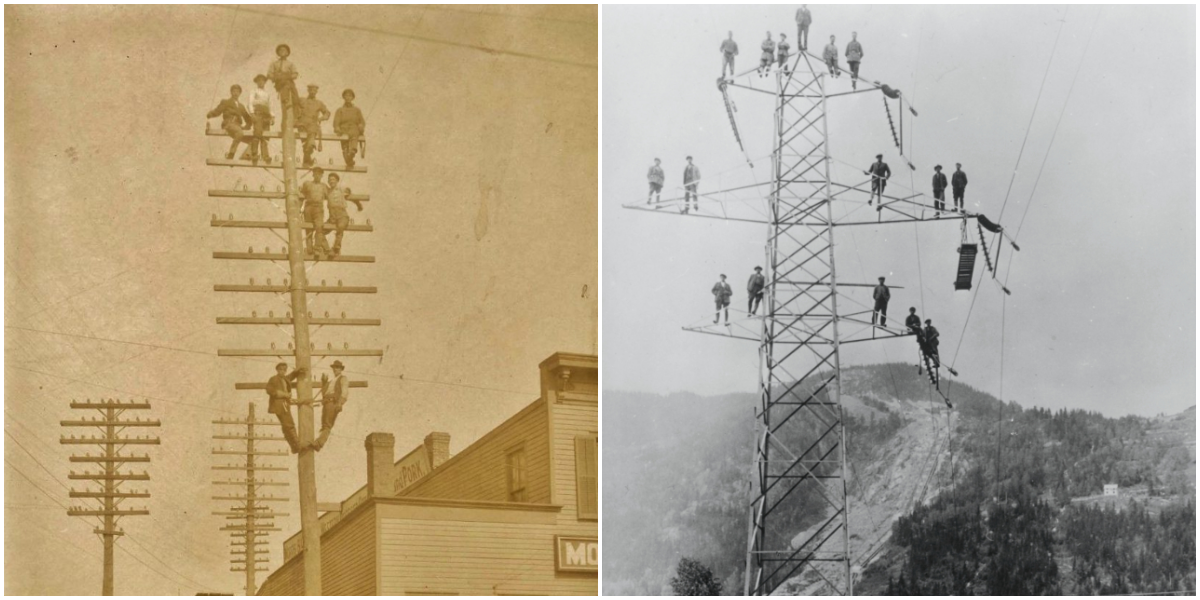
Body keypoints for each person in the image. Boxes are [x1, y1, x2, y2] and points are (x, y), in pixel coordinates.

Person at [265, 362, 304, 453]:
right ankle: (297, 445)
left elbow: (290, 377)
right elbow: (269, 390)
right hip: (280, 405)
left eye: (284, 370)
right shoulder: (274, 379)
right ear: (277, 370)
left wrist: (296, 371)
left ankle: (294, 447)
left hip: (285, 405)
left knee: (286, 426)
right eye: (281, 370)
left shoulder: (285, 379)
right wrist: (285, 394)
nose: (283, 371)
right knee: (289, 424)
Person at [207, 85, 252, 160]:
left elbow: (248, 119)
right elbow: (218, 111)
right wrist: (210, 114)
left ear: (240, 93)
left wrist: (246, 127)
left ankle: (246, 156)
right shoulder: (226, 102)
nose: (235, 93)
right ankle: (231, 154)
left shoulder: (241, 106)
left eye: (237, 91)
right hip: (229, 124)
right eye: (234, 91)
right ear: (231, 92)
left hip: (238, 127)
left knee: (253, 140)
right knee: (239, 132)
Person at [312, 361, 349, 451]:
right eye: (334, 367)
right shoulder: (332, 380)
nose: (335, 369)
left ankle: (319, 443)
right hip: (326, 403)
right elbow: (324, 392)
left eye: (337, 367)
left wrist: (340, 403)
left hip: (333, 403)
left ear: (341, 369)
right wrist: (324, 382)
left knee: (327, 425)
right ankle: (318, 443)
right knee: (324, 425)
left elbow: (344, 392)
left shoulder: (343, 378)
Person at [324, 173, 363, 257]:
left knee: (340, 227)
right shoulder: (327, 191)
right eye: (330, 180)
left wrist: (358, 205)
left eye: (333, 179)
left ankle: (336, 249)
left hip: (342, 215)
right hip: (332, 217)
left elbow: (351, 196)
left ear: (337, 181)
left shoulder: (341, 189)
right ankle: (326, 249)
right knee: (320, 231)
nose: (331, 181)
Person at [296, 84, 330, 168]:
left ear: (316, 92)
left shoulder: (319, 103)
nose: (312, 92)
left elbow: (327, 113)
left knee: (311, 138)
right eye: (310, 90)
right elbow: (293, 107)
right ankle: (307, 157)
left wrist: (321, 119)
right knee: (305, 143)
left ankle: (309, 151)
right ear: (308, 91)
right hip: (302, 124)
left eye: (314, 90)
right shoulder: (302, 100)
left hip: (313, 124)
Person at [301, 167, 332, 258]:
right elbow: (301, 196)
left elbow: (331, 195)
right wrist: (299, 210)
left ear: (322, 175)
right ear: (313, 174)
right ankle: (309, 250)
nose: (317, 175)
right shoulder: (307, 184)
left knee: (319, 227)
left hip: (318, 208)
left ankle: (317, 249)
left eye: (319, 174)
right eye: (315, 173)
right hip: (308, 207)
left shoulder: (324, 186)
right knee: (309, 229)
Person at [333, 88, 366, 168]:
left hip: (354, 129)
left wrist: (361, 126)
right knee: (345, 148)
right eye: (346, 96)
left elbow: (362, 121)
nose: (348, 97)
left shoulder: (356, 110)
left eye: (350, 96)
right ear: (343, 97)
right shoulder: (340, 110)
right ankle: (349, 160)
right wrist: (337, 128)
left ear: (352, 98)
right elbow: (336, 122)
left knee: (354, 135)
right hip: (343, 130)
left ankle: (353, 150)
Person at [247, 75, 273, 165]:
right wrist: (252, 114)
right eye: (259, 81)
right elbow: (250, 103)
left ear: (265, 82)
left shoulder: (267, 94)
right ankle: (254, 154)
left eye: (262, 81)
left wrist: (272, 117)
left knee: (265, 136)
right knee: (257, 133)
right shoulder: (254, 91)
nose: (261, 82)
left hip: (266, 116)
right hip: (257, 114)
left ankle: (265, 155)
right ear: (257, 82)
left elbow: (269, 106)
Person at [267, 43, 299, 112]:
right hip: (279, 82)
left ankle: (295, 108)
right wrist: (275, 77)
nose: (282, 52)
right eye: (280, 50)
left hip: (288, 80)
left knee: (294, 94)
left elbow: (295, 74)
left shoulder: (290, 63)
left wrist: (288, 77)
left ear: (287, 53)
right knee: (285, 85)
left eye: (284, 50)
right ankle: (285, 100)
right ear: (278, 53)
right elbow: (269, 74)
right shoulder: (274, 63)